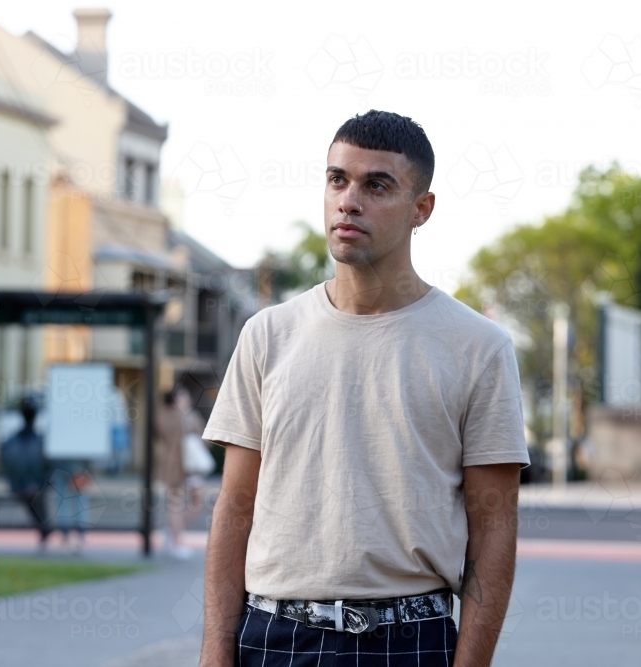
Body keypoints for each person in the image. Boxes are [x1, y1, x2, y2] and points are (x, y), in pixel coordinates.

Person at [200, 111, 530, 666]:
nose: (349, 201)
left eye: (377, 185)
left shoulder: (479, 348)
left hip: (409, 641)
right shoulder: (267, 336)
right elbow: (235, 507)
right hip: (274, 638)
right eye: (337, 180)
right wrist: (214, 651)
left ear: (421, 208)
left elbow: (494, 527)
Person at [155, 388, 206, 560]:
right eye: (183, 396)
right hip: (175, 465)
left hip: (192, 465)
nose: (187, 398)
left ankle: (172, 531)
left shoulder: (191, 415)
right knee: (175, 501)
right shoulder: (168, 415)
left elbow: (204, 436)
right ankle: (176, 540)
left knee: (198, 502)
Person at [0, 397, 51, 551]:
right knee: (36, 502)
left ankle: (44, 528)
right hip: (30, 484)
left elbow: (7, 464)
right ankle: (44, 528)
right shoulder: (38, 441)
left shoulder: (12, 441)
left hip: (23, 484)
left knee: (35, 503)